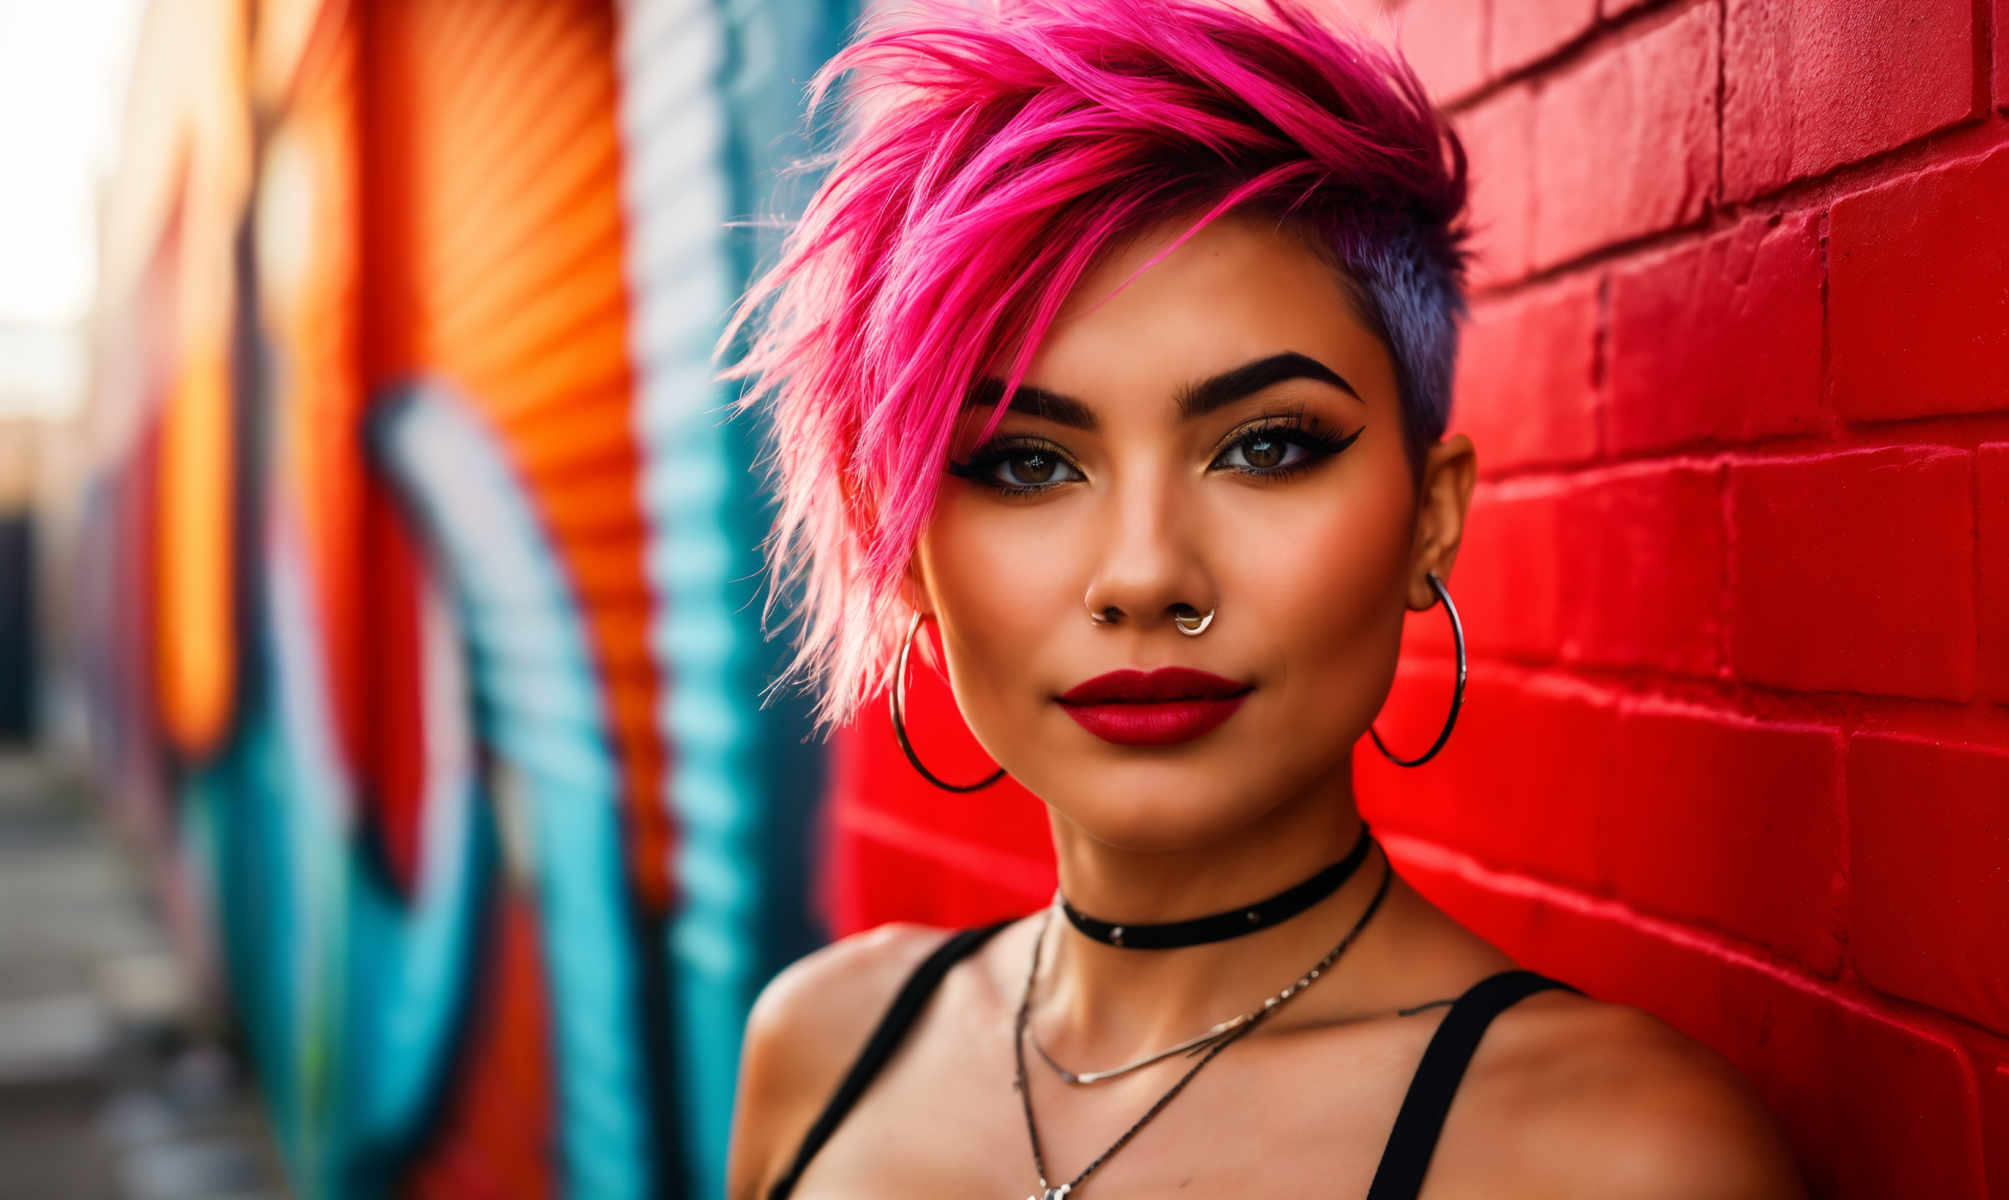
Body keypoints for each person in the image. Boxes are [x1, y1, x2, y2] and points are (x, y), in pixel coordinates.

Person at [715, 1, 1808, 1195]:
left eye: (1266, 447)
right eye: (1027, 461)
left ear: (1426, 519)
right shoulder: (819, 1050)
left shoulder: (1615, 1160)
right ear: (912, 550)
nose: (1143, 575)